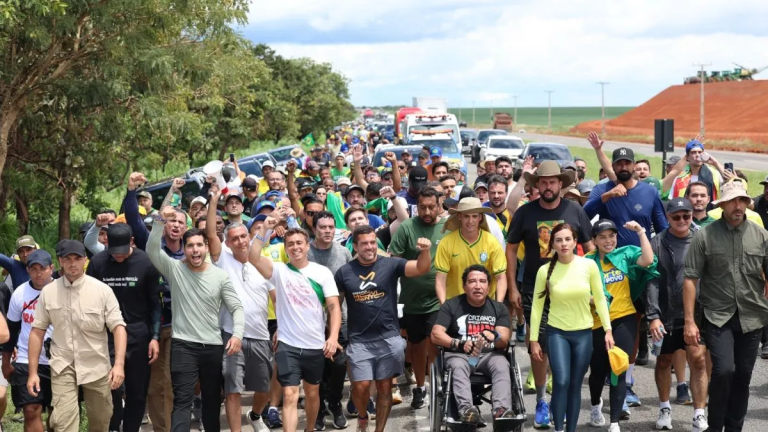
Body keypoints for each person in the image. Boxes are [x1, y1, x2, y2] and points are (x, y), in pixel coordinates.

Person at [506, 160, 594, 426]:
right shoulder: (525, 213)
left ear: (560, 184)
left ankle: (561, 401)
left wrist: (592, 285)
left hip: (571, 291)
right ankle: (542, 401)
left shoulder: (575, 210)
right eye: (543, 182)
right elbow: (511, 249)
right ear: (537, 185)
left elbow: (590, 248)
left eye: (552, 182)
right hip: (535, 290)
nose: (547, 186)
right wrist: (513, 287)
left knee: (563, 347)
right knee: (538, 347)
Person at [147, 207, 244, 432]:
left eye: (199, 245)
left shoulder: (220, 276)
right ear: (184, 249)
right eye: (190, 245)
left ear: (206, 247)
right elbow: (151, 249)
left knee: (211, 401)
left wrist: (237, 334)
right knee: (182, 400)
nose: (195, 250)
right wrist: (160, 221)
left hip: (213, 347)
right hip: (183, 345)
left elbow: (237, 307)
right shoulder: (174, 269)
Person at [683, 179, 768, 432]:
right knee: (723, 371)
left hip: (752, 316)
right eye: (732, 201)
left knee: (743, 375)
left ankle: (734, 428)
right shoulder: (705, 236)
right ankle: (715, 425)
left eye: (742, 200)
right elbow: (690, 279)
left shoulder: (761, 235)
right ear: (722, 205)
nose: (738, 206)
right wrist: (689, 322)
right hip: (717, 315)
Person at [336, 226, 431, 432]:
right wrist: (333, 334)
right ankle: (363, 416)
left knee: (385, 387)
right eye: (364, 243)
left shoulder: (390, 264)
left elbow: (421, 268)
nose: (370, 247)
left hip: (388, 337)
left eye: (372, 242)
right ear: (355, 246)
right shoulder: (344, 272)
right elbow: (335, 307)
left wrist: (425, 251)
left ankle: (379, 430)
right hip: (359, 340)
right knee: (360, 387)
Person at [248, 221, 341, 432]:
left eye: (299, 243)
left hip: (315, 344)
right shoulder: (278, 270)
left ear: (307, 246)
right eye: (290, 244)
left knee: (312, 393)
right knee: (289, 394)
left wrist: (333, 337)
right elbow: (253, 256)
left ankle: (309, 428)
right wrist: (265, 228)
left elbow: (334, 307)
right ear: (286, 248)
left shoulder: (322, 273)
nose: (295, 247)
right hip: (287, 345)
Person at [28, 240, 124, 432]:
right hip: (63, 366)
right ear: (60, 261)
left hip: (96, 366)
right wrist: (32, 373)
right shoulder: (49, 292)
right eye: (67, 259)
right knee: (63, 423)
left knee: (100, 421)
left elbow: (118, 327)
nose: (72, 264)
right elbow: (37, 331)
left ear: (85, 260)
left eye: (77, 258)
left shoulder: (102, 291)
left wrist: (119, 365)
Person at [529, 224, 614, 432]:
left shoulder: (588, 266)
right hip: (556, 332)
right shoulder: (544, 271)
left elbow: (600, 299)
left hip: (583, 333)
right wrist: (533, 340)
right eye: (558, 240)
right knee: (561, 382)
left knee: (575, 385)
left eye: (568, 239)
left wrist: (608, 329)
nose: (564, 244)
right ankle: (559, 428)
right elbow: (537, 307)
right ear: (552, 244)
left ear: (575, 242)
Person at [203, 184, 274, 432]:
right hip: (231, 334)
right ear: (228, 243)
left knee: (264, 387)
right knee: (232, 389)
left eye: (244, 236)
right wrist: (214, 201)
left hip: (260, 334)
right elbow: (211, 234)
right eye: (234, 239)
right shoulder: (222, 258)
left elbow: (276, 297)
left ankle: (255, 415)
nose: (241, 241)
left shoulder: (262, 262)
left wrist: (281, 328)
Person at [124, 172, 186, 432]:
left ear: (186, 228)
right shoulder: (150, 245)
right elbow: (132, 218)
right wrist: (131, 191)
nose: (175, 224)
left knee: (175, 384)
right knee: (156, 385)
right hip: (153, 326)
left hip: (180, 326)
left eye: (180, 221)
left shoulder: (192, 253)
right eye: (171, 220)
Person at [86, 224, 162, 432]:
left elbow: (156, 304)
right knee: (111, 388)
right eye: (114, 251)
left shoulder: (146, 262)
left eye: (122, 251)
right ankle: (112, 426)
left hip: (138, 334)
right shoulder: (98, 263)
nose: (118, 256)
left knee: (137, 392)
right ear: (106, 243)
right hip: (107, 336)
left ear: (131, 242)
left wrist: (155, 337)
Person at [586, 219, 657, 431]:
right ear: (594, 240)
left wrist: (641, 232)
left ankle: (614, 422)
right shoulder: (587, 262)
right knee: (598, 371)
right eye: (602, 237)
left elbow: (648, 259)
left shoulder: (625, 254)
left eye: (612, 236)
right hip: (597, 322)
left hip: (624, 317)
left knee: (618, 367)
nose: (608, 241)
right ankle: (595, 404)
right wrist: (593, 299)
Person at [644, 197, 709, 431]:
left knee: (698, 360)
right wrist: (653, 316)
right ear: (668, 217)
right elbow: (651, 280)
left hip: (697, 313)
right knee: (663, 361)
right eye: (676, 216)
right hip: (666, 313)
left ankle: (699, 413)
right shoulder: (657, 242)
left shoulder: (702, 239)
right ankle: (664, 408)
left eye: (686, 215)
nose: (682, 220)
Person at [431, 265, 516, 424]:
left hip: (489, 355)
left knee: (502, 365)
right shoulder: (451, 305)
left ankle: (501, 411)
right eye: (472, 281)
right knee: (457, 366)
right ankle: (467, 411)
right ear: (464, 286)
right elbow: (436, 334)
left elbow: (505, 338)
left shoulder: (499, 308)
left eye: (482, 281)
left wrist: (494, 335)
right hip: (460, 355)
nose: (477, 286)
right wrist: (458, 343)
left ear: (488, 286)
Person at [389, 187, 446, 410]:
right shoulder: (407, 227)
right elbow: (393, 261)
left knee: (435, 343)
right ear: (416, 207)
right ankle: (420, 387)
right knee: (417, 346)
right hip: (411, 301)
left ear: (439, 205)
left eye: (431, 207)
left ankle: (436, 387)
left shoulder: (447, 227)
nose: (427, 212)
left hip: (438, 300)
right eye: (422, 207)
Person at [308, 211, 354, 431]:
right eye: (322, 227)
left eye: (330, 227)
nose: (327, 231)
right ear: (314, 228)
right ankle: (317, 409)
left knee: (338, 365)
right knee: (316, 367)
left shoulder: (344, 252)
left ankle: (335, 403)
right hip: (311, 321)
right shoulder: (305, 252)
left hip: (340, 318)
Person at [584, 137, 668, 247]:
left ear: (634, 166)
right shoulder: (601, 190)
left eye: (627, 163)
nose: (624, 167)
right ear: (613, 166)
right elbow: (584, 215)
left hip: (641, 255)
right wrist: (607, 196)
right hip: (611, 256)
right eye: (619, 164)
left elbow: (662, 229)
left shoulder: (650, 191)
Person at [4, 250, 52, 432]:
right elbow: (12, 328)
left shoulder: (62, 290)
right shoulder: (20, 293)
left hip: (58, 359)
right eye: (34, 269)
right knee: (31, 410)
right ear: (27, 270)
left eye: (42, 269)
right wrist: (6, 361)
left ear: (51, 268)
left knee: (58, 414)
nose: (38, 274)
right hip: (26, 358)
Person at [435, 197, 507, 304]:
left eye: (474, 216)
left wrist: (498, 306)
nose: (470, 221)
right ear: (459, 216)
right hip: (455, 306)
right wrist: (444, 306)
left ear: (480, 217)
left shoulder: (492, 242)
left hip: (485, 306)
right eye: (466, 216)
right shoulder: (446, 242)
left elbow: (501, 278)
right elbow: (440, 279)